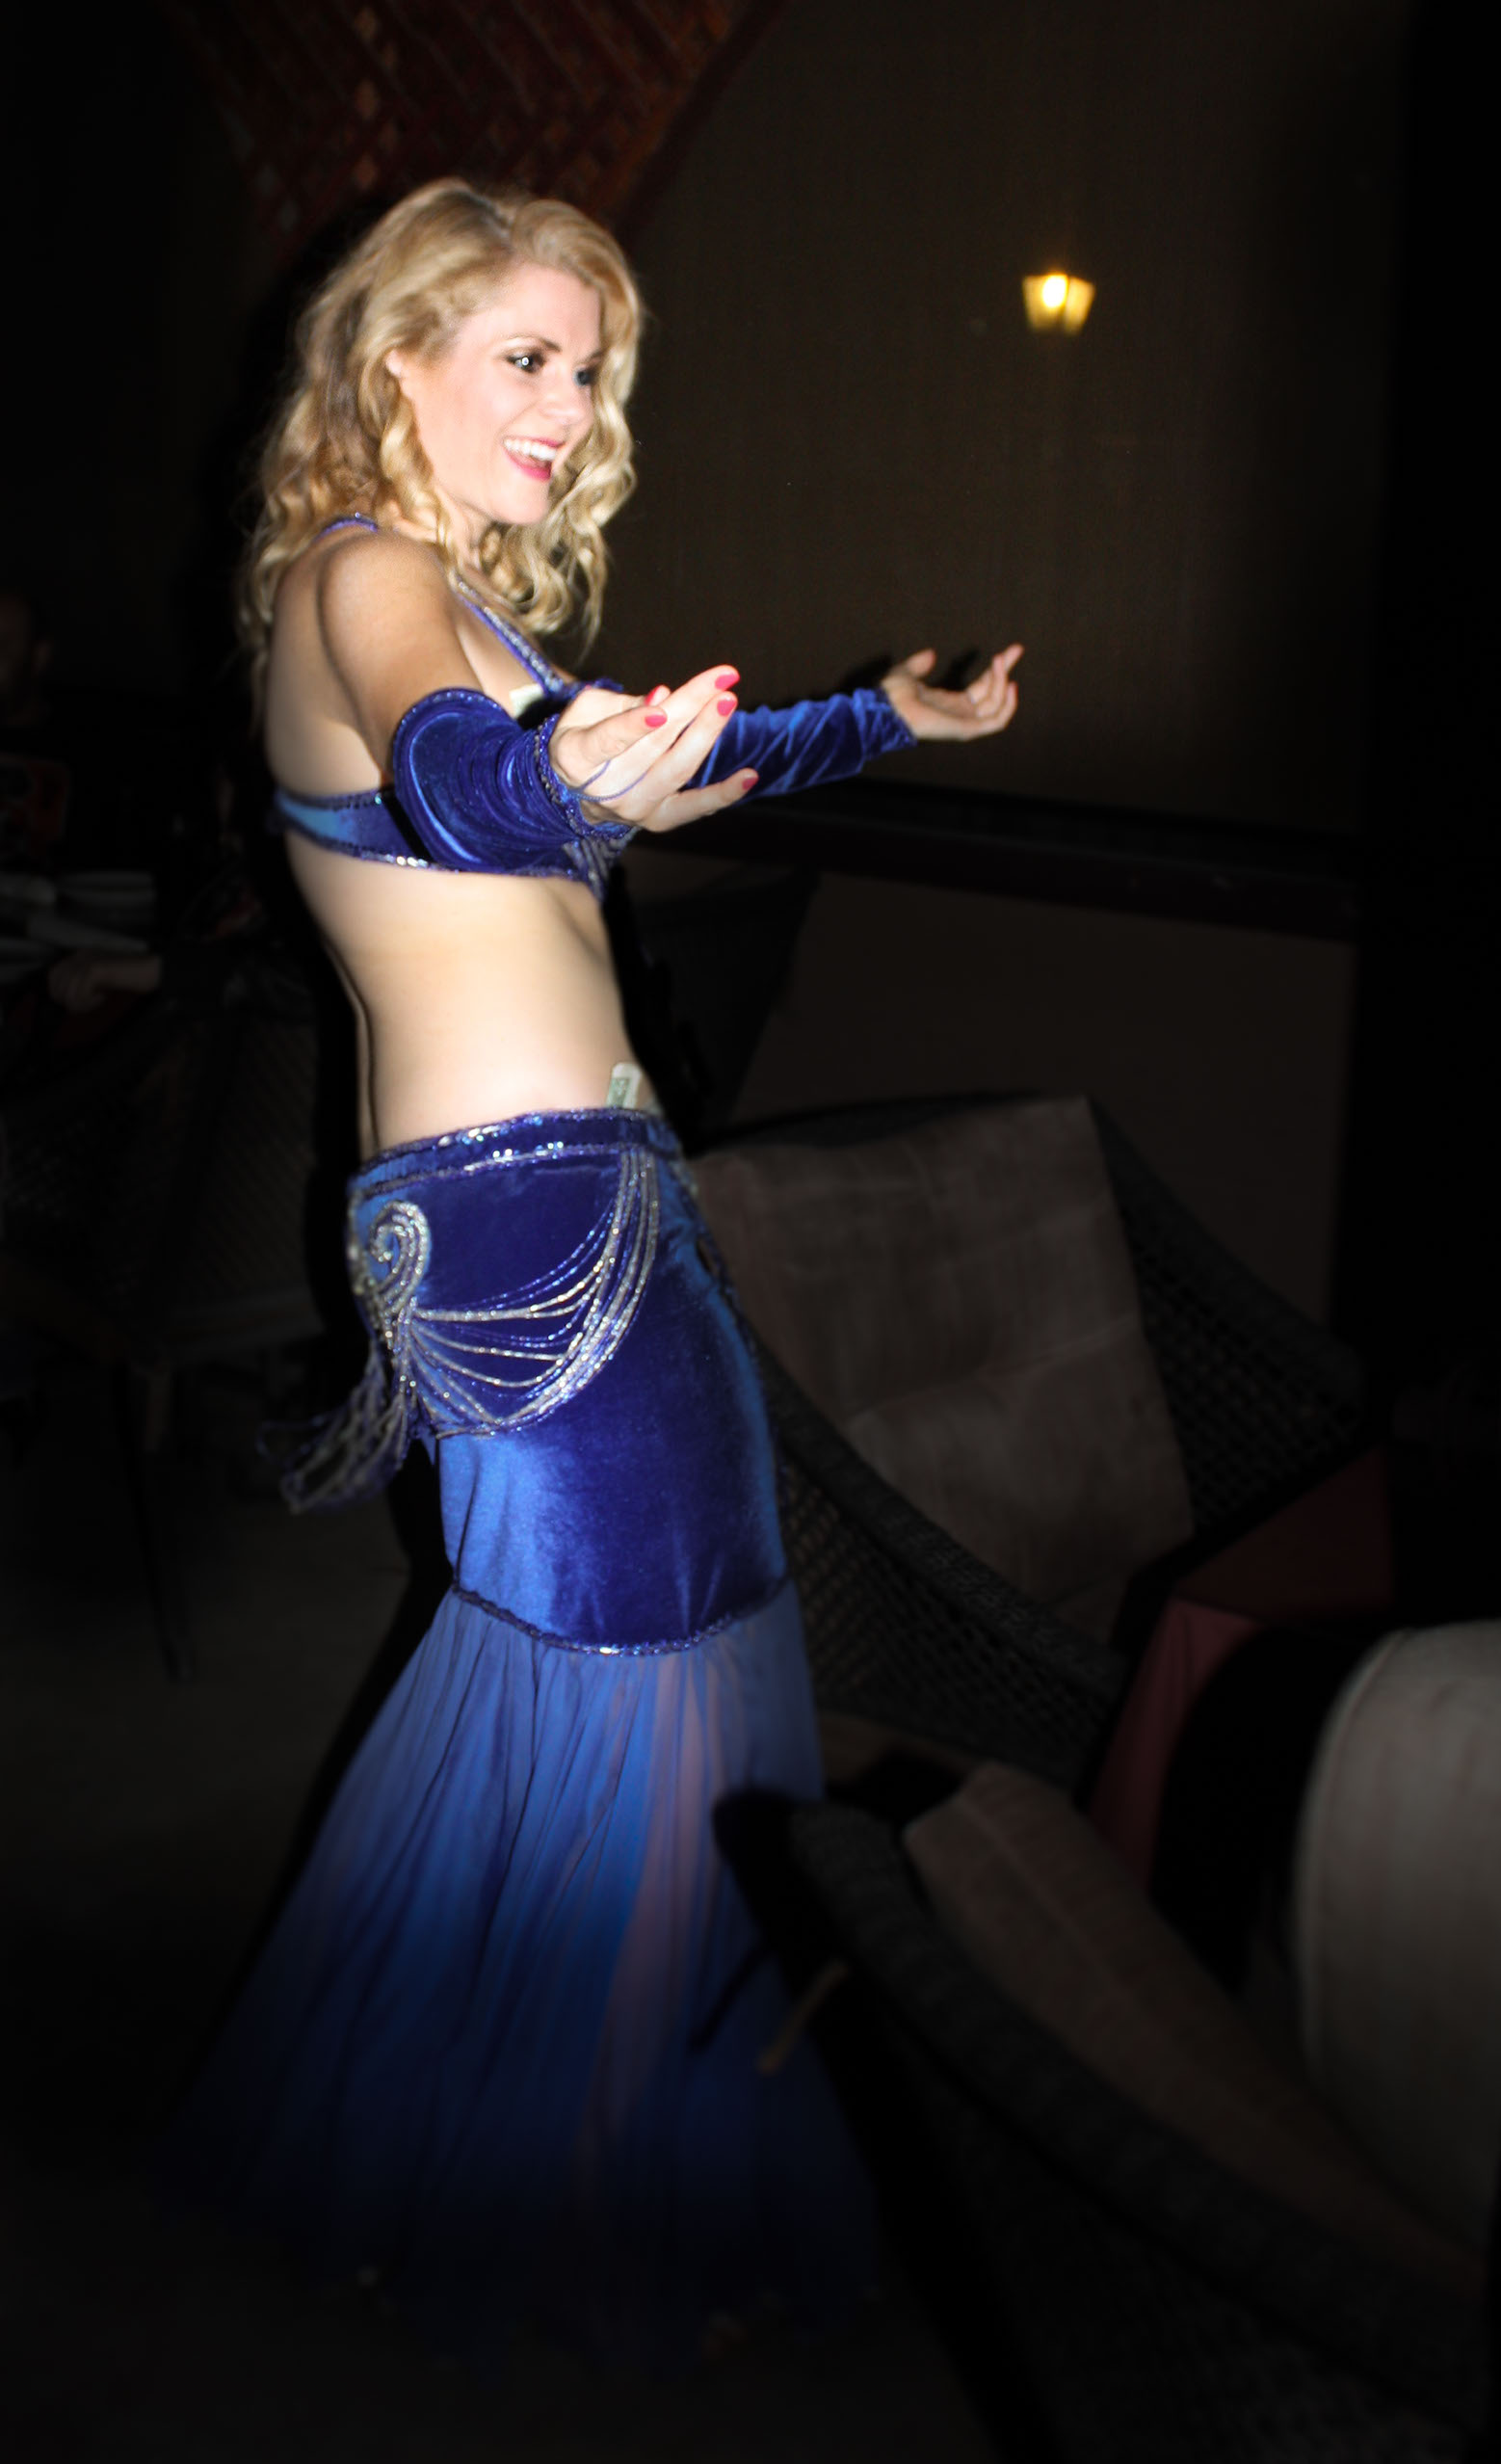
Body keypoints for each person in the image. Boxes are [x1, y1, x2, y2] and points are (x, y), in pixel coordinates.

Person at [164, 177, 1020, 2367]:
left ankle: (478, 2125)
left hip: (574, 1195)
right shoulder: (367, 576)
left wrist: (877, 720)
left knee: (621, 1652)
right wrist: (545, 770)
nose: (567, 401)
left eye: (590, 366)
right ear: (396, 363)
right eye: (524, 355)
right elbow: (469, 792)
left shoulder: (454, 596)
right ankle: (572, 2168)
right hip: (528, 1220)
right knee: (646, 1655)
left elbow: (649, 772)